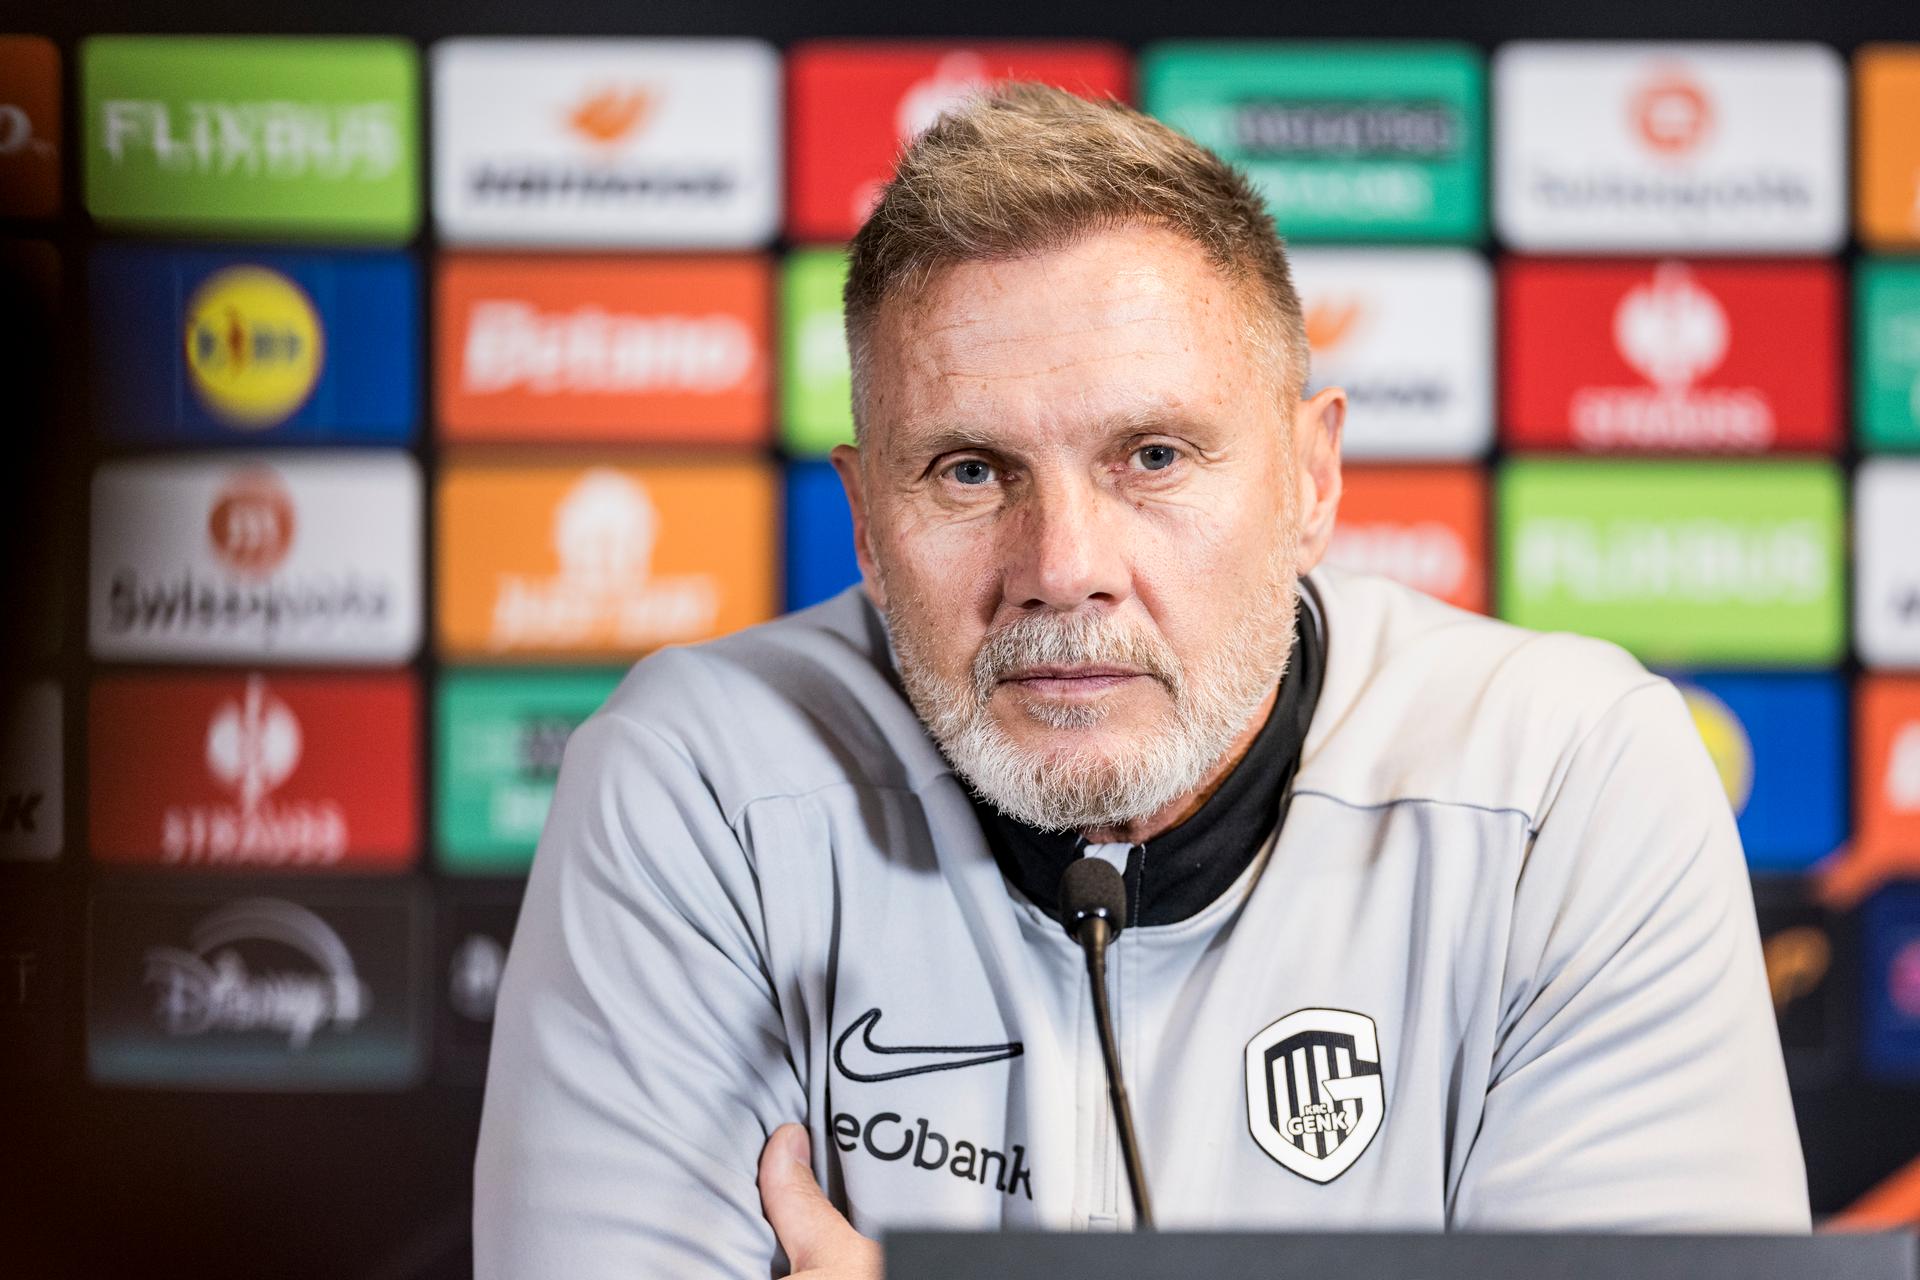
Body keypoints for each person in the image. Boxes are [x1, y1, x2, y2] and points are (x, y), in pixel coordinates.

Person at [473, 84, 1809, 1278]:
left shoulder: (1567, 781)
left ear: (1313, 479)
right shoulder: (697, 782)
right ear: (868, 526)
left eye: (1154, 456)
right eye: (969, 471)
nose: (1062, 568)